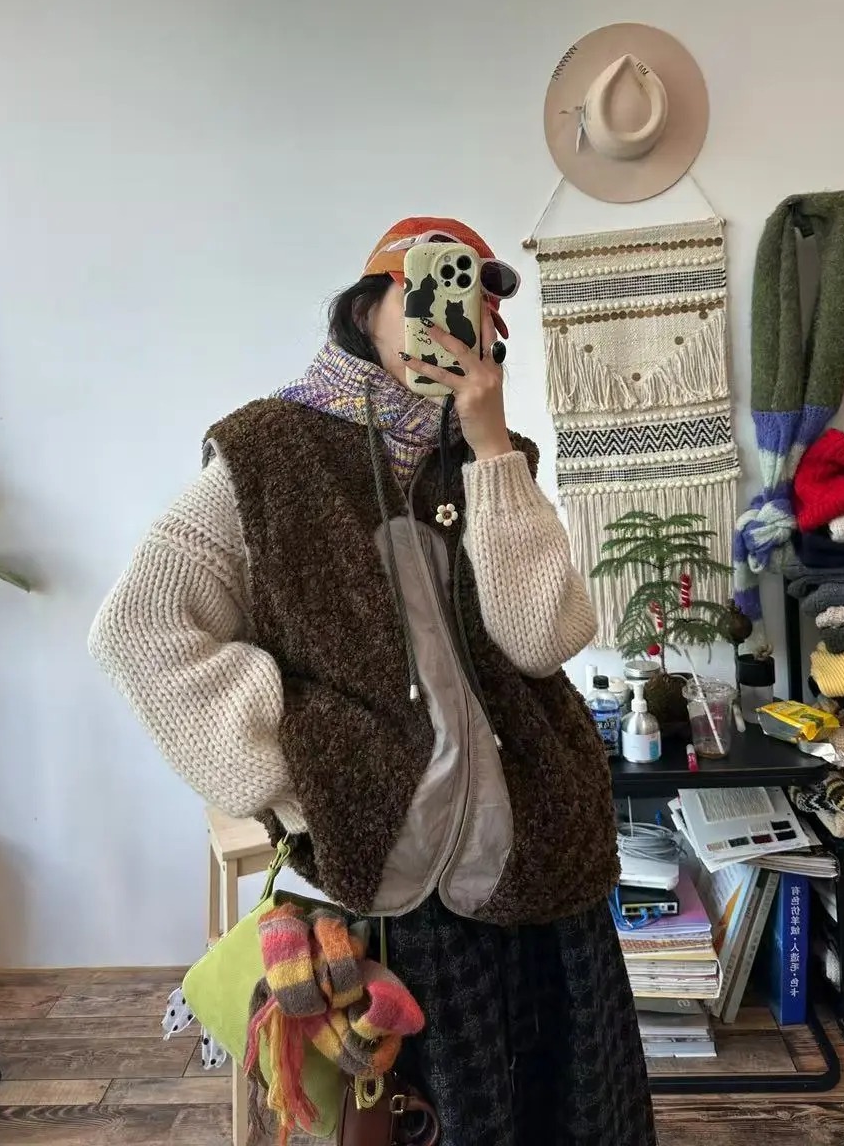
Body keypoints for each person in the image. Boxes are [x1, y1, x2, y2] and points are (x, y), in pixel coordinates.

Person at [89, 217, 657, 1146]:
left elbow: (542, 640)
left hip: (544, 860)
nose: (459, 311)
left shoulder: (493, 454)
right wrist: (300, 771)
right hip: (395, 892)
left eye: (480, 296)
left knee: (574, 1114)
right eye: (432, 283)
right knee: (433, 1120)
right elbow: (141, 625)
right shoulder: (266, 452)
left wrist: (491, 450)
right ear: (365, 309)